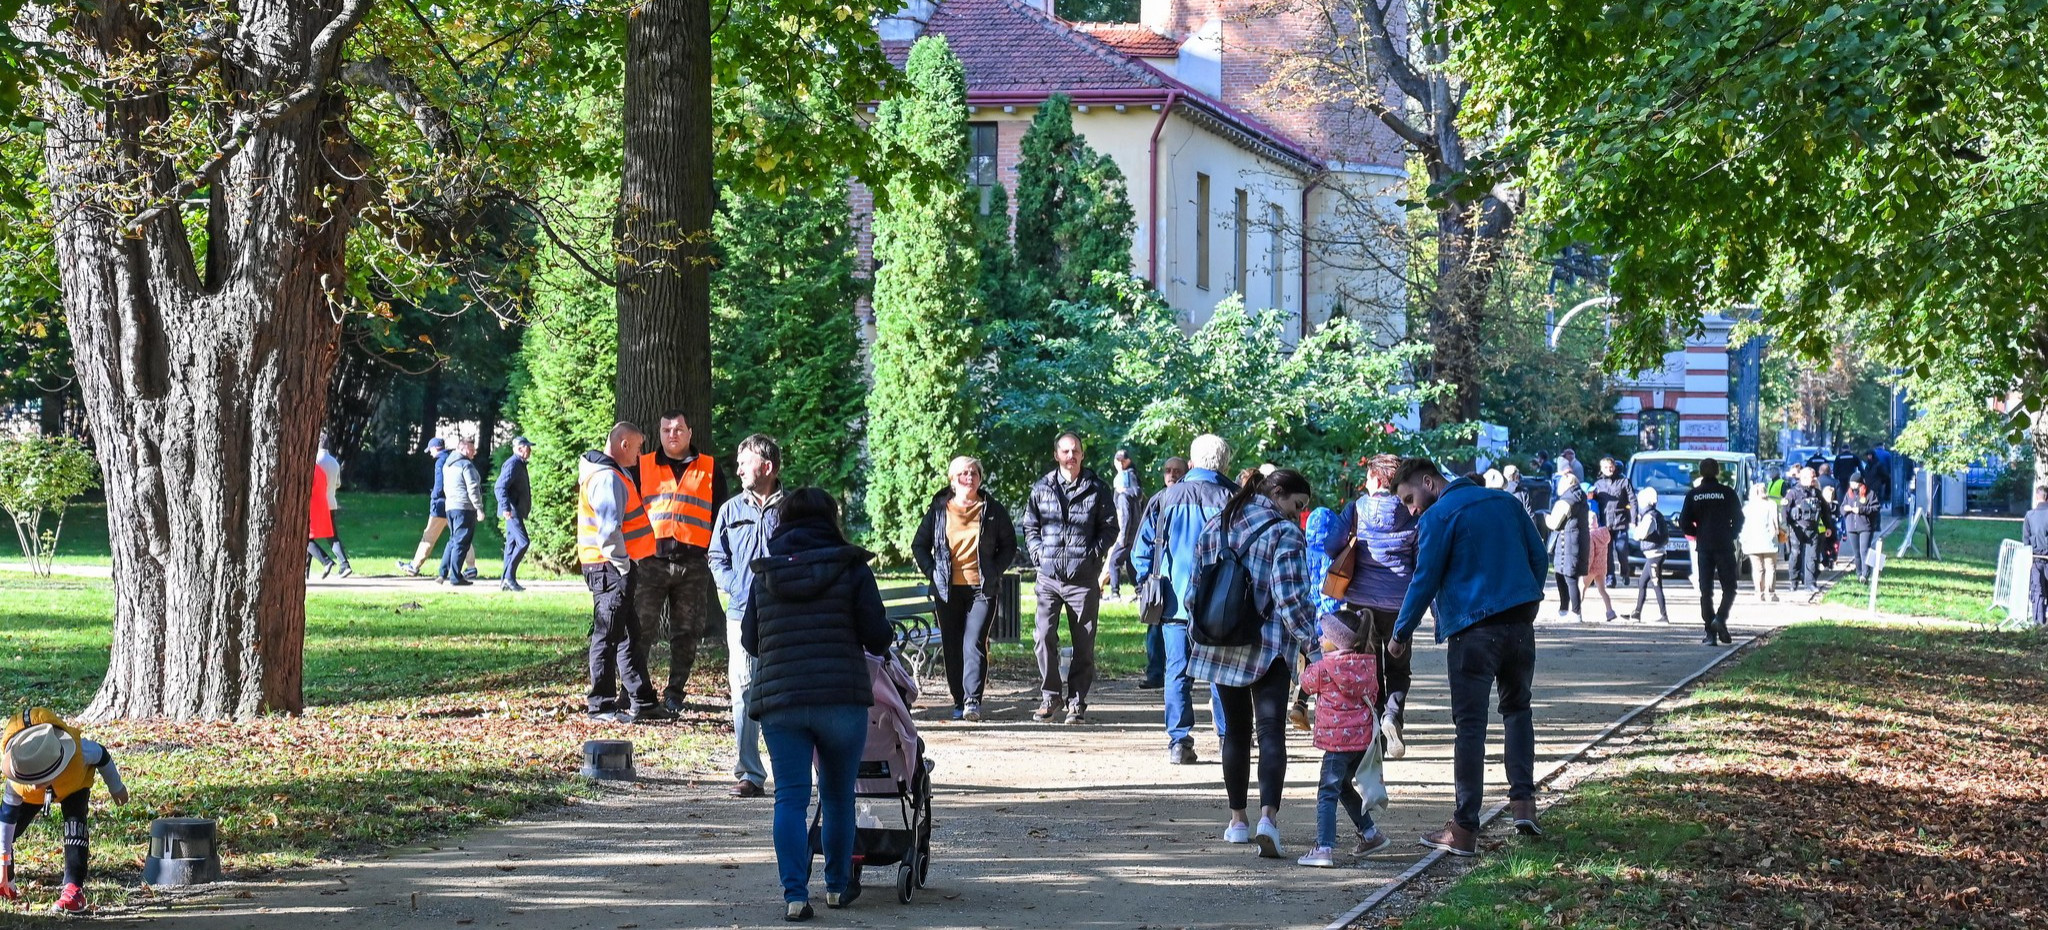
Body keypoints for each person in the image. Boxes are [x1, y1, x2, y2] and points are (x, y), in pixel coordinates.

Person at [741, 488, 894, 921]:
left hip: (782, 700)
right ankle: (837, 887)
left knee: (789, 797)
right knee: (838, 796)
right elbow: (878, 636)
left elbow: (750, 640)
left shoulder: (764, 574)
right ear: (830, 520)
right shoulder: (851, 569)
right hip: (840, 698)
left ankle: (794, 895)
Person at [1388, 457, 1550, 855]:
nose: (1412, 510)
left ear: (1429, 481)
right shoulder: (1506, 502)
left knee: (1470, 728)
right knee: (1517, 711)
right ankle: (1524, 804)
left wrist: (1400, 634)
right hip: (1519, 623)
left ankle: (1463, 829)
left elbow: (1424, 578)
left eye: (1410, 498)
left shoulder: (1438, 516)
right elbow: (1539, 558)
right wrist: (1527, 601)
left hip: (1471, 632)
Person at [1191, 468, 1320, 858]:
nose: (1298, 515)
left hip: (1221, 643)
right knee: (1270, 733)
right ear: (1277, 492)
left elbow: (1194, 589)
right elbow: (1291, 598)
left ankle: (1237, 822)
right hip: (1267, 647)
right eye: (1297, 505)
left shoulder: (1218, 522)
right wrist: (1313, 647)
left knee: (1234, 733)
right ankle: (1269, 820)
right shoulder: (1285, 534)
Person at [1133, 436, 1237, 764]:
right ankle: (1227, 738)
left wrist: (1144, 583)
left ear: (1191, 464)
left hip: (1174, 600)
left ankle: (1180, 742)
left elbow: (1141, 550)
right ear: (1224, 464)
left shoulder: (1166, 497)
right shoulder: (1233, 499)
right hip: (1221, 603)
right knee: (1221, 672)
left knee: (1176, 672)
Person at [1019, 431, 1118, 724]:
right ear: (1056, 455)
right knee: (1042, 636)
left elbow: (1110, 528)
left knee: (1083, 645)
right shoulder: (1042, 488)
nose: (1070, 456)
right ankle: (1051, 697)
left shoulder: (1097, 489)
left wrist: (1092, 556)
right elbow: (1030, 525)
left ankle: (1077, 702)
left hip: (1082, 579)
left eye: (1075, 451)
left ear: (1082, 455)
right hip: (1048, 577)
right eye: (1065, 451)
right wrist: (1039, 553)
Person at [912, 456, 1018, 722]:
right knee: (952, 645)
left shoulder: (992, 509)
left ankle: (972, 701)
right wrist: (932, 573)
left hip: (982, 588)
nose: (969, 477)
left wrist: (995, 570)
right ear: (952, 479)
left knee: (974, 643)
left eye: (973, 473)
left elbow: (1009, 544)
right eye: (962, 473)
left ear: (980, 478)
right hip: (947, 589)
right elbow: (919, 545)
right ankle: (958, 699)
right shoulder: (939, 509)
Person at [708, 433, 785, 798]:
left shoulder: (791, 509)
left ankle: (791, 769)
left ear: (767, 466)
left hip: (785, 613)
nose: (738, 469)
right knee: (743, 690)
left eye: (745, 461)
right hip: (741, 612)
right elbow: (716, 557)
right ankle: (750, 774)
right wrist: (735, 587)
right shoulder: (730, 510)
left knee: (787, 690)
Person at [578, 423, 671, 724]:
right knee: (608, 635)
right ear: (623, 444)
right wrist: (624, 565)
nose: (641, 454)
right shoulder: (607, 478)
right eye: (639, 446)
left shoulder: (609, 474)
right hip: (611, 567)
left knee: (628, 635)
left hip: (611, 566)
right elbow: (609, 530)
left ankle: (642, 700)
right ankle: (601, 705)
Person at [637, 410, 728, 713]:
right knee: (640, 629)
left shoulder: (710, 468)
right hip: (652, 561)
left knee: (687, 631)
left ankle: (675, 692)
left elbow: (720, 516)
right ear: (659, 433)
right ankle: (636, 689)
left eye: (677, 429)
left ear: (690, 432)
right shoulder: (643, 465)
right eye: (665, 430)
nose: (672, 435)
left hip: (693, 563)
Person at [1328, 454, 1416, 758]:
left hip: (1360, 601)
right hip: (1400, 603)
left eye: (1367, 477)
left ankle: (1374, 729)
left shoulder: (1356, 509)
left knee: (1368, 666)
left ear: (1377, 480)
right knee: (1399, 667)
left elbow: (1331, 546)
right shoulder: (1411, 510)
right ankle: (1393, 715)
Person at [2, 707, 131, 914]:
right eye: (30, 779)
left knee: (75, 822)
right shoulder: (19, 779)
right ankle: (7, 882)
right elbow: (6, 821)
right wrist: (3, 862)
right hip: (33, 798)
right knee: (4, 838)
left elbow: (103, 755)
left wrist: (116, 787)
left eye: (40, 778)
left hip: (74, 785)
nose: (35, 785)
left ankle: (74, 888)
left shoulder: (79, 752)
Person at [1296, 610, 1388, 867]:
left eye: (1324, 635)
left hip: (1337, 744)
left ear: (1335, 641)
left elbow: (1304, 681)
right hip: (1361, 741)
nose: (1320, 637)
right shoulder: (1368, 664)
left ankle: (1324, 847)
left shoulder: (1325, 668)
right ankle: (1370, 833)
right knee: (1343, 787)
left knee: (1327, 792)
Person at [1137, 456, 1191, 690]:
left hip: (1185, 577)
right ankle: (1156, 672)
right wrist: (1142, 579)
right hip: (1160, 577)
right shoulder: (1158, 501)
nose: (1172, 475)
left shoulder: (1192, 499)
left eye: (1177, 471)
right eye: (1168, 470)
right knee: (1155, 627)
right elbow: (1143, 543)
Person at [1678, 458, 1743, 645]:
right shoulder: (1727, 493)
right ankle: (1720, 619)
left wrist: (1697, 533)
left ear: (1700, 472)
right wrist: (1731, 533)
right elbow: (1739, 518)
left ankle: (1710, 634)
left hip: (1704, 547)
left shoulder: (1694, 494)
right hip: (1724, 546)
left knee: (1706, 591)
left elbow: (1684, 522)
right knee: (1729, 588)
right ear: (1718, 472)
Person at [397, 437, 476, 579]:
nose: (430, 453)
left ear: (434, 449)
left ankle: (414, 566)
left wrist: (434, 495)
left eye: (430, 450)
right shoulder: (453, 458)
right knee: (460, 536)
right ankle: (471, 567)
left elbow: (440, 484)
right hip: (456, 503)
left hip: (441, 504)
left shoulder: (440, 461)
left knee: (429, 536)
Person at [438, 437, 484, 587]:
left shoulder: (448, 464)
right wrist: (479, 508)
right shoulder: (466, 465)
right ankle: (456, 577)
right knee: (461, 542)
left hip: (450, 506)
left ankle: (442, 573)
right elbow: (472, 488)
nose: (474, 453)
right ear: (463, 449)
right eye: (471, 449)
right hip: (464, 507)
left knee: (453, 540)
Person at [1546, 471, 1590, 622]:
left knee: (1567, 577)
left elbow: (1554, 523)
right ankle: (1567, 611)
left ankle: (1573, 612)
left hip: (1567, 543)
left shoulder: (1565, 501)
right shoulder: (1581, 498)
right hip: (1579, 541)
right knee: (1566, 576)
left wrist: (1545, 517)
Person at [308, 437, 352, 577]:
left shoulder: (316, 462)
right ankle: (343, 563)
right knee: (331, 535)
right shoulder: (334, 462)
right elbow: (338, 483)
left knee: (308, 535)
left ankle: (326, 563)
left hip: (317, 503)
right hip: (331, 501)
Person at [1104, 449, 1145, 600]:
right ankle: (1140, 592)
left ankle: (1114, 593)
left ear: (1128, 461)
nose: (1120, 464)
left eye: (1123, 461)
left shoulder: (1127, 480)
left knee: (1114, 562)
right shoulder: (1131, 478)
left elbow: (1125, 513)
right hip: (1135, 531)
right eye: (1118, 460)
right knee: (1130, 563)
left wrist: (1122, 535)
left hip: (1127, 532)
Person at [496, 437, 534, 591]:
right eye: (527, 447)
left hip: (514, 510)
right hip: (512, 511)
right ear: (520, 449)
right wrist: (505, 508)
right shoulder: (513, 464)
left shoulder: (519, 464)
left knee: (511, 546)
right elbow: (499, 487)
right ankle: (509, 578)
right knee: (523, 542)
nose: (530, 450)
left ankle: (505, 581)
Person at [1783, 467, 1829, 591]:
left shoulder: (1816, 493)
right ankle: (1794, 581)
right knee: (1795, 555)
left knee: (1812, 557)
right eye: (1812, 477)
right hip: (1797, 529)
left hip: (1812, 529)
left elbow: (1825, 511)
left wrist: (1828, 526)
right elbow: (1785, 511)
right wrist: (1785, 527)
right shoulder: (1793, 493)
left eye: (1814, 477)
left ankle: (1810, 583)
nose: (1814, 479)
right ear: (1803, 478)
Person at [1629, 488, 1670, 622]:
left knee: (1656, 583)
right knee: (1642, 582)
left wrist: (1636, 531)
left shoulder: (1649, 517)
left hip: (1654, 554)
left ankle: (1664, 616)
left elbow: (1640, 534)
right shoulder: (1655, 514)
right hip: (1654, 553)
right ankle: (1637, 612)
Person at [1591, 457, 1634, 586]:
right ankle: (1610, 577)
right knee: (1607, 553)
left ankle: (1625, 572)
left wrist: (1633, 519)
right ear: (1601, 469)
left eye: (1611, 467)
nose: (1609, 469)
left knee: (1622, 549)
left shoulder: (1624, 482)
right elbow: (1593, 503)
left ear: (1614, 467)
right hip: (1605, 524)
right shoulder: (1598, 484)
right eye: (1605, 467)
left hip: (1621, 522)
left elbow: (1633, 501)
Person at [1740, 482, 1783, 602]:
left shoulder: (1747, 507)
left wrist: (1743, 540)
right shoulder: (1772, 505)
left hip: (1752, 542)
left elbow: (1743, 526)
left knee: (1757, 569)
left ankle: (1759, 593)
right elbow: (1779, 521)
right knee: (1770, 568)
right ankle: (1770, 593)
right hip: (1770, 541)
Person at [1839, 477, 1881, 582]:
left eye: (1853, 482)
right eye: (1851, 482)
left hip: (1865, 527)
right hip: (1851, 527)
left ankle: (1865, 573)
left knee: (1864, 550)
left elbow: (1875, 508)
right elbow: (1842, 507)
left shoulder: (1870, 493)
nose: (1851, 484)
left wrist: (1861, 510)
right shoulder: (1849, 494)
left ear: (1859, 483)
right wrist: (1845, 509)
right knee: (1856, 552)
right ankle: (1858, 573)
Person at [1581, 520, 1617, 621]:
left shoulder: (1590, 536)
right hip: (1601, 568)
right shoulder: (1603, 535)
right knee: (1602, 590)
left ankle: (1576, 610)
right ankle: (1610, 611)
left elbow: (1590, 555)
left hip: (1591, 568)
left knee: (1581, 588)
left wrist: (1585, 568)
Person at [2024, 486, 2048, 628]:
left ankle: (2038, 623)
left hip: (2035, 559)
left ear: (2037, 497)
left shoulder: (2029, 516)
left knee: (2037, 592)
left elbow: (2025, 541)